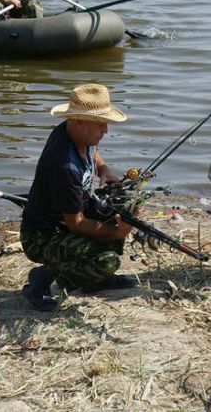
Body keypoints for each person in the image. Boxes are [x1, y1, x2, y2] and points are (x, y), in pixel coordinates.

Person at [20, 83, 138, 311]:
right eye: (101, 124)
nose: (106, 130)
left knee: (118, 207)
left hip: (66, 218)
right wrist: (118, 232)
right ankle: (42, 279)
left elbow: (93, 153)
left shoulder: (73, 133)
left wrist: (104, 170)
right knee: (107, 261)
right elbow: (77, 224)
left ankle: (92, 281)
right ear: (80, 122)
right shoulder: (64, 165)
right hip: (43, 235)